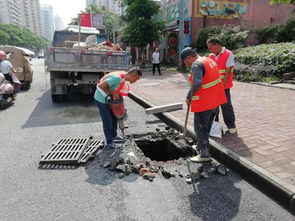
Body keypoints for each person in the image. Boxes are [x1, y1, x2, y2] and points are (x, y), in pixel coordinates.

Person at [181, 47, 227, 163]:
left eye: (185, 61)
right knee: (206, 127)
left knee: (200, 128)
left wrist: (188, 96)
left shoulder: (196, 65)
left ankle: (204, 154)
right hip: (215, 101)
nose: (186, 64)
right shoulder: (208, 60)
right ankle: (200, 147)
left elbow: (197, 83)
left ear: (188, 58)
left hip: (205, 102)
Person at [94, 67, 142, 148]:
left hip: (110, 100)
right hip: (101, 100)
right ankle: (109, 141)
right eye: (136, 79)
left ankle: (114, 135)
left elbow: (119, 90)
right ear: (133, 75)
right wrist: (113, 93)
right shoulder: (117, 78)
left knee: (114, 117)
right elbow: (101, 86)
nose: (135, 81)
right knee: (107, 120)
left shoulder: (123, 77)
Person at [207, 38, 237, 134]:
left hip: (224, 87)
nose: (210, 50)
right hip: (213, 87)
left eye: (211, 48)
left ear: (217, 45)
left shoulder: (228, 54)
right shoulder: (211, 56)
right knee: (213, 107)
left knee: (226, 106)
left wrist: (222, 86)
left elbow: (228, 70)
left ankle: (232, 127)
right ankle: (214, 127)